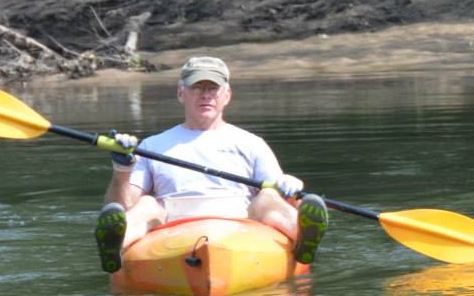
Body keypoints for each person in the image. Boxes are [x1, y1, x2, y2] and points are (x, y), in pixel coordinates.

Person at [93, 56, 328, 272]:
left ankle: (302, 238)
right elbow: (120, 207)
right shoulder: (151, 146)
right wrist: (122, 169)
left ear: (226, 95)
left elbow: (281, 195)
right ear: (181, 93)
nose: (205, 95)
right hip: (172, 222)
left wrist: (288, 187)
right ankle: (116, 246)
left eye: (213, 88)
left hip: (241, 218)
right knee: (146, 203)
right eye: (197, 87)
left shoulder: (251, 143)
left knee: (268, 196)